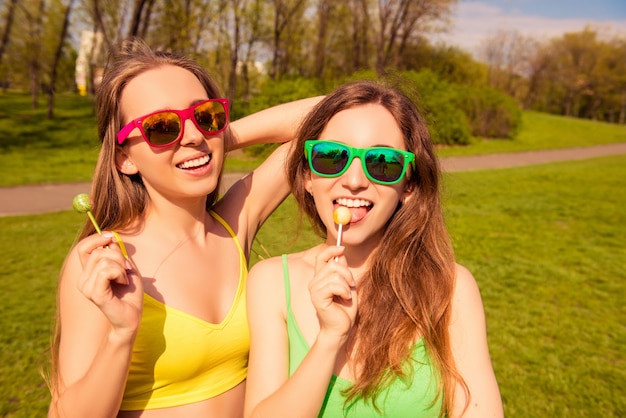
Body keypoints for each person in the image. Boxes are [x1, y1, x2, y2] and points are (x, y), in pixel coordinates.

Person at [47, 38, 320, 417]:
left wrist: (215, 139)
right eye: (161, 127)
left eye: (205, 114)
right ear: (125, 159)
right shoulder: (106, 262)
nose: (192, 134)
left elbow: (332, 114)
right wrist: (120, 336)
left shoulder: (235, 222)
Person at [244, 80, 504, 417]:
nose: (354, 180)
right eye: (331, 156)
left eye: (382, 162)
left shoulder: (451, 288)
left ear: (408, 184)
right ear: (307, 176)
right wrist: (329, 339)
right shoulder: (271, 282)